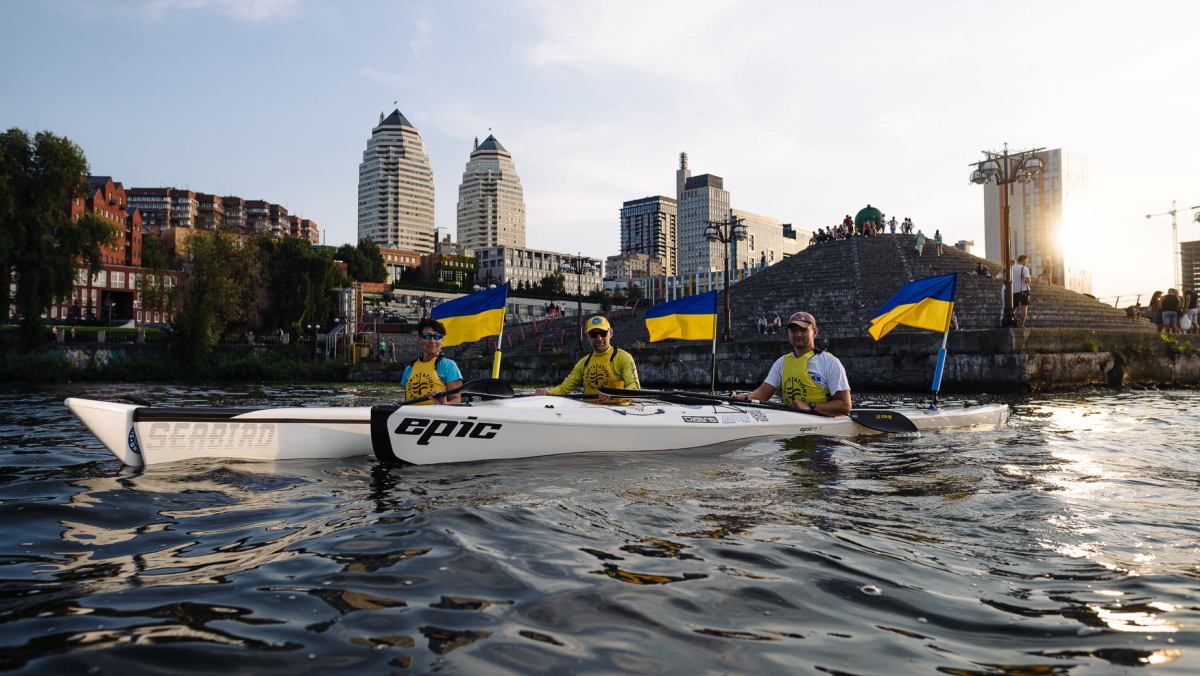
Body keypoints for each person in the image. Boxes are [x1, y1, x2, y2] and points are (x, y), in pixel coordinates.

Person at [733, 312, 851, 416]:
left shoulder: (830, 362)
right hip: (792, 420)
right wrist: (747, 397)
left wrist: (810, 406)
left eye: (803, 330)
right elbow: (763, 393)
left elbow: (845, 405)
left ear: (814, 332)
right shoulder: (781, 362)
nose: (798, 334)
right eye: (793, 330)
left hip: (823, 429)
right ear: (788, 333)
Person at [536, 315, 639, 402]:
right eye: (593, 334)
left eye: (603, 333)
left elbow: (634, 387)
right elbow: (564, 389)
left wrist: (614, 395)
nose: (599, 338)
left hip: (618, 411)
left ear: (610, 333)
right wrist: (547, 392)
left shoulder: (623, 358)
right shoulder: (583, 363)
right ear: (588, 337)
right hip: (589, 413)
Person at [401, 318, 463, 405]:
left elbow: (456, 399)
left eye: (437, 337)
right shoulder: (409, 368)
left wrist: (443, 405)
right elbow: (406, 401)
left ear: (442, 341)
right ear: (420, 339)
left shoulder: (449, 366)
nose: (432, 341)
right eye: (427, 336)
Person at [1011, 254, 1032, 327]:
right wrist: (1029, 279)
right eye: (1027, 261)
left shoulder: (1011, 268)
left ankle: (1011, 321)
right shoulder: (1024, 268)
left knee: (1013, 308)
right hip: (1024, 291)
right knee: (1024, 308)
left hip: (1014, 291)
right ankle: (1021, 324)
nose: (1027, 263)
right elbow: (1027, 280)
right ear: (1024, 260)